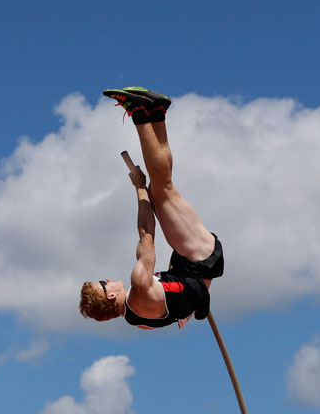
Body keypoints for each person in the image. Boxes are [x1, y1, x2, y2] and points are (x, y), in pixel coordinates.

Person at [79, 87, 224, 329]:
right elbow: (147, 233)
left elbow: (177, 305)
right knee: (161, 190)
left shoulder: (138, 322)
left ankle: (157, 112)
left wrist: (194, 301)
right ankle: (139, 113)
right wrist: (139, 187)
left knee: (163, 191)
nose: (106, 279)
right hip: (197, 256)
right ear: (110, 296)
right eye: (103, 284)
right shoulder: (139, 283)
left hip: (191, 264)